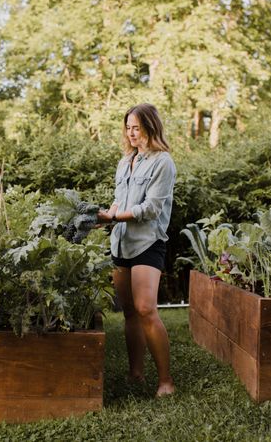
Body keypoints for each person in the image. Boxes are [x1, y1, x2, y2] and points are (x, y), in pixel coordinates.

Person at [97, 103, 176, 397]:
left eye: (136, 127)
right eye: (128, 127)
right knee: (129, 311)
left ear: (150, 127)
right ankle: (135, 373)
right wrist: (105, 216)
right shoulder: (125, 161)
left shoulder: (162, 162)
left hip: (147, 243)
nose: (131, 133)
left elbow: (152, 208)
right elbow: (120, 201)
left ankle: (166, 380)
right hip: (121, 241)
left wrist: (115, 216)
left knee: (146, 309)